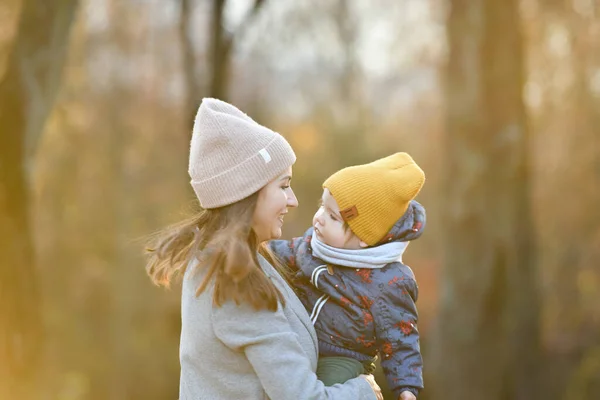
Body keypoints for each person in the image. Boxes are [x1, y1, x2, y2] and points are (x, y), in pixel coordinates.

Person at [144, 98, 382, 400]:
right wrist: (364, 391)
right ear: (248, 193)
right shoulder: (235, 280)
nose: (293, 200)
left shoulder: (223, 260)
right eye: (283, 186)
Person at [269, 153, 427, 400]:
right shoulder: (312, 245)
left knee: (325, 387)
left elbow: (400, 337)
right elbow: (273, 254)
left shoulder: (388, 281)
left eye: (333, 216)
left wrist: (406, 388)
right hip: (299, 338)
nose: (320, 217)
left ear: (364, 237)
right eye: (322, 206)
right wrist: (243, 247)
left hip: (341, 357)